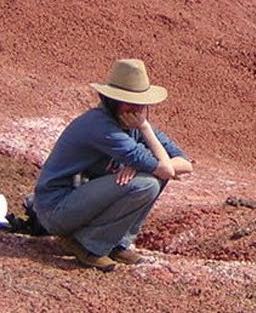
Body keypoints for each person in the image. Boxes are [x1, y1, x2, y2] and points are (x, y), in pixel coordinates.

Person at [33, 59, 191, 271]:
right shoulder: (100, 126)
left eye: (140, 104)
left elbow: (184, 164)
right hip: (57, 210)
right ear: (112, 100)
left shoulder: (134, 124)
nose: (135, 109)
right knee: (147, 183)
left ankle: (116, 243)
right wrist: (145, 138)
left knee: (152, 178)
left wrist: (142, 149)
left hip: (80, 203)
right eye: (129, 102)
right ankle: (87, 245)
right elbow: (166, 169)